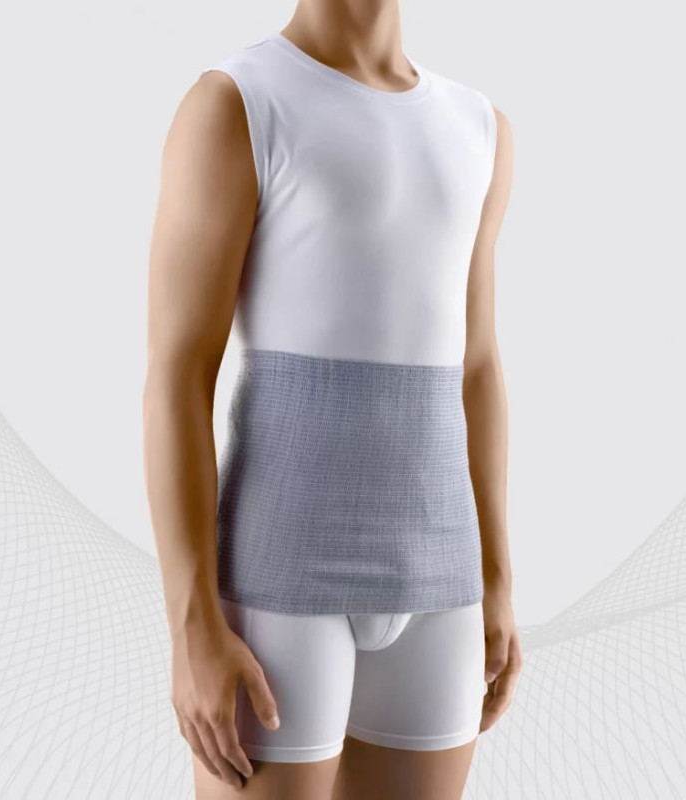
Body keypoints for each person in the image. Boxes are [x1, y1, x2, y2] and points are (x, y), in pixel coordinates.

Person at [144, 2, 521, 798]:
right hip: (280, 576)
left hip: (442, 584)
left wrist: (497, 577)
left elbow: (478, 366)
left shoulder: (480, 128)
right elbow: (179, 372)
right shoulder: (238, 101)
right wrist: (191, 625)